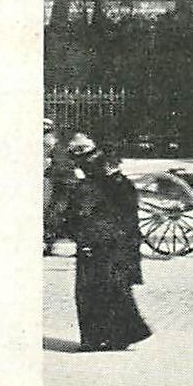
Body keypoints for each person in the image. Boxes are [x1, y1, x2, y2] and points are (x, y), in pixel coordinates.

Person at [66, 138, 151, 352]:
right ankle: (117, 336)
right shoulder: (112, 181)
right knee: (114, 288)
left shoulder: (96, 184)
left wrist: (83, 234)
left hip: (102, 242)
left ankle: (98, 338)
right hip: (112, 241)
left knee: (95, 289)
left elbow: (84, 213)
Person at [43, 119, 77, 254]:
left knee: (55, 212)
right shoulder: (60, 144)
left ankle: (49, 243)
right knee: (56, 211)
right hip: (62, 181)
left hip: (61, 182)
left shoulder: (51, 143)